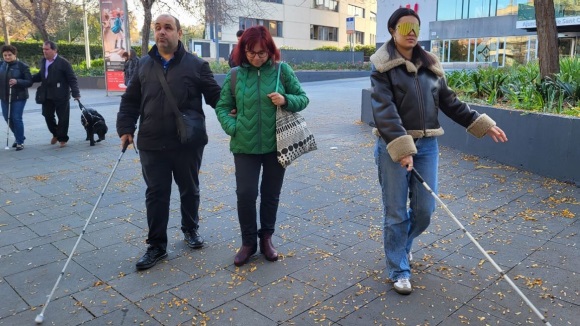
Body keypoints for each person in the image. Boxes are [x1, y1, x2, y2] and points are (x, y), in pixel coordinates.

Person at [370, 8, 507, 295]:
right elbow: (384, 110)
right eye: (404, 27)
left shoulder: (430, 66)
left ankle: (402, 247)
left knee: (425, 210)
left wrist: (480, 123)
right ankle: (398, 268)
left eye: (415, 28)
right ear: (392, 30)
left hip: (428, 145)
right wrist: (402, 147)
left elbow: (451, 103)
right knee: (395, 212)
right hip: (394, 146)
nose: (410, 33)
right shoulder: (382, 68)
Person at [116, 14, 222, 271]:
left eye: (168, 28)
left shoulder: (197, 65)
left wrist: (238, 116)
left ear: (179, 33)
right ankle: (156, 245)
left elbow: (216, 97)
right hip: (152, 142)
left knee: (189, 189)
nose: (162, 32)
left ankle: (190, 229)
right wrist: (126, 128)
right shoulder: (143, 65)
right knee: (156, 194)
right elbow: (130, 100)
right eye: (158, 28)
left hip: (187, 142)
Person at [215, 25, 309, 267]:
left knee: (270, 194)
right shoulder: (235, 75)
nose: (256, 58)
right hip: (244, 146)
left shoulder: (282, 71)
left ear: (270, 51)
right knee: (245, 194)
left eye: (261, 53)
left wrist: (286, 99)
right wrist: (233, 127)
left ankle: (266, 238)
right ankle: (248, 242)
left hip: (276, 144)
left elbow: (303, 98)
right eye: (251, 52)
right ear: (243, 50)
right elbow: (222, 107)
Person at [32, 41, 81, 148]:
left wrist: (76, 93)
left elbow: (72, 78)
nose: (44, 51)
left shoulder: (63, 63)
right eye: (43, 49)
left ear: (54, 50)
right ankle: (56, 133)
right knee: (47, 115)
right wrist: (27, 79)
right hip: (46, 94)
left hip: (61, 94)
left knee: (63, 118)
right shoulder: (43, 61)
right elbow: (41, 75)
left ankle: (62, 138)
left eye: (47, 49)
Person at [0, 45, 33, 151]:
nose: (7, 57)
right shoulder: (1, 65)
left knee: (16, 117)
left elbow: (29, 81)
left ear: (15, 55)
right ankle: (20, 136)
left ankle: (20, 142)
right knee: (7, 118)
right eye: (5, 55)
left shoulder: (22, 66)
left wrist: (17, 81)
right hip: (4, 96)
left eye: (10, 55)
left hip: (19, 96)